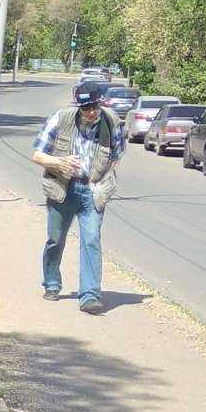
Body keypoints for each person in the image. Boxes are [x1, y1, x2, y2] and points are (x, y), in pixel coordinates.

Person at [32, 76, 125, 313]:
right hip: (62, 189)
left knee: (91, 239)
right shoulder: (61, 118)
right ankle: (52, 283)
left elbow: (117, 154)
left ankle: (89, 295)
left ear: (100, 103)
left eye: (94, 106)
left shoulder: (111, 121)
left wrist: (103, 178)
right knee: (55, 239)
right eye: (85, 108)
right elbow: (37, 155)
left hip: (92, 191)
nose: (91, 112)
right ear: (78, 106)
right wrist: (59, 162)